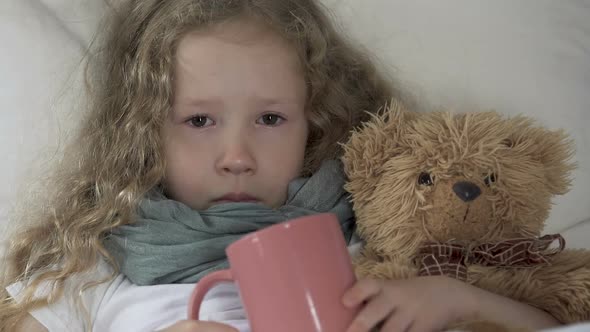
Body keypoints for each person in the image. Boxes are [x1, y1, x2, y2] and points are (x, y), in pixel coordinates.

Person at [1, 0, 562, 331]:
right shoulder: (88, 267)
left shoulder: (376, 239)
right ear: (141, 134)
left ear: (314, 122)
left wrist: (455, 299)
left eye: (270, 120)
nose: (238, 158)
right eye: (199, 122)